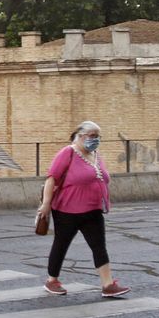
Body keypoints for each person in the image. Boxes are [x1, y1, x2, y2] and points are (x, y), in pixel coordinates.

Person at [38, 120, 129, 297]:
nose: (95, 140)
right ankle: (51, 280)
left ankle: (108, 285)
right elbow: (52, 178)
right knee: (61, 244)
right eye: (92, 136)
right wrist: (46, 204)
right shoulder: (68, 153)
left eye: (98, 136)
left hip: (93, 210)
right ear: (80, 136)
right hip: (67, 210)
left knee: (99, 247)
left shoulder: (96, 154)